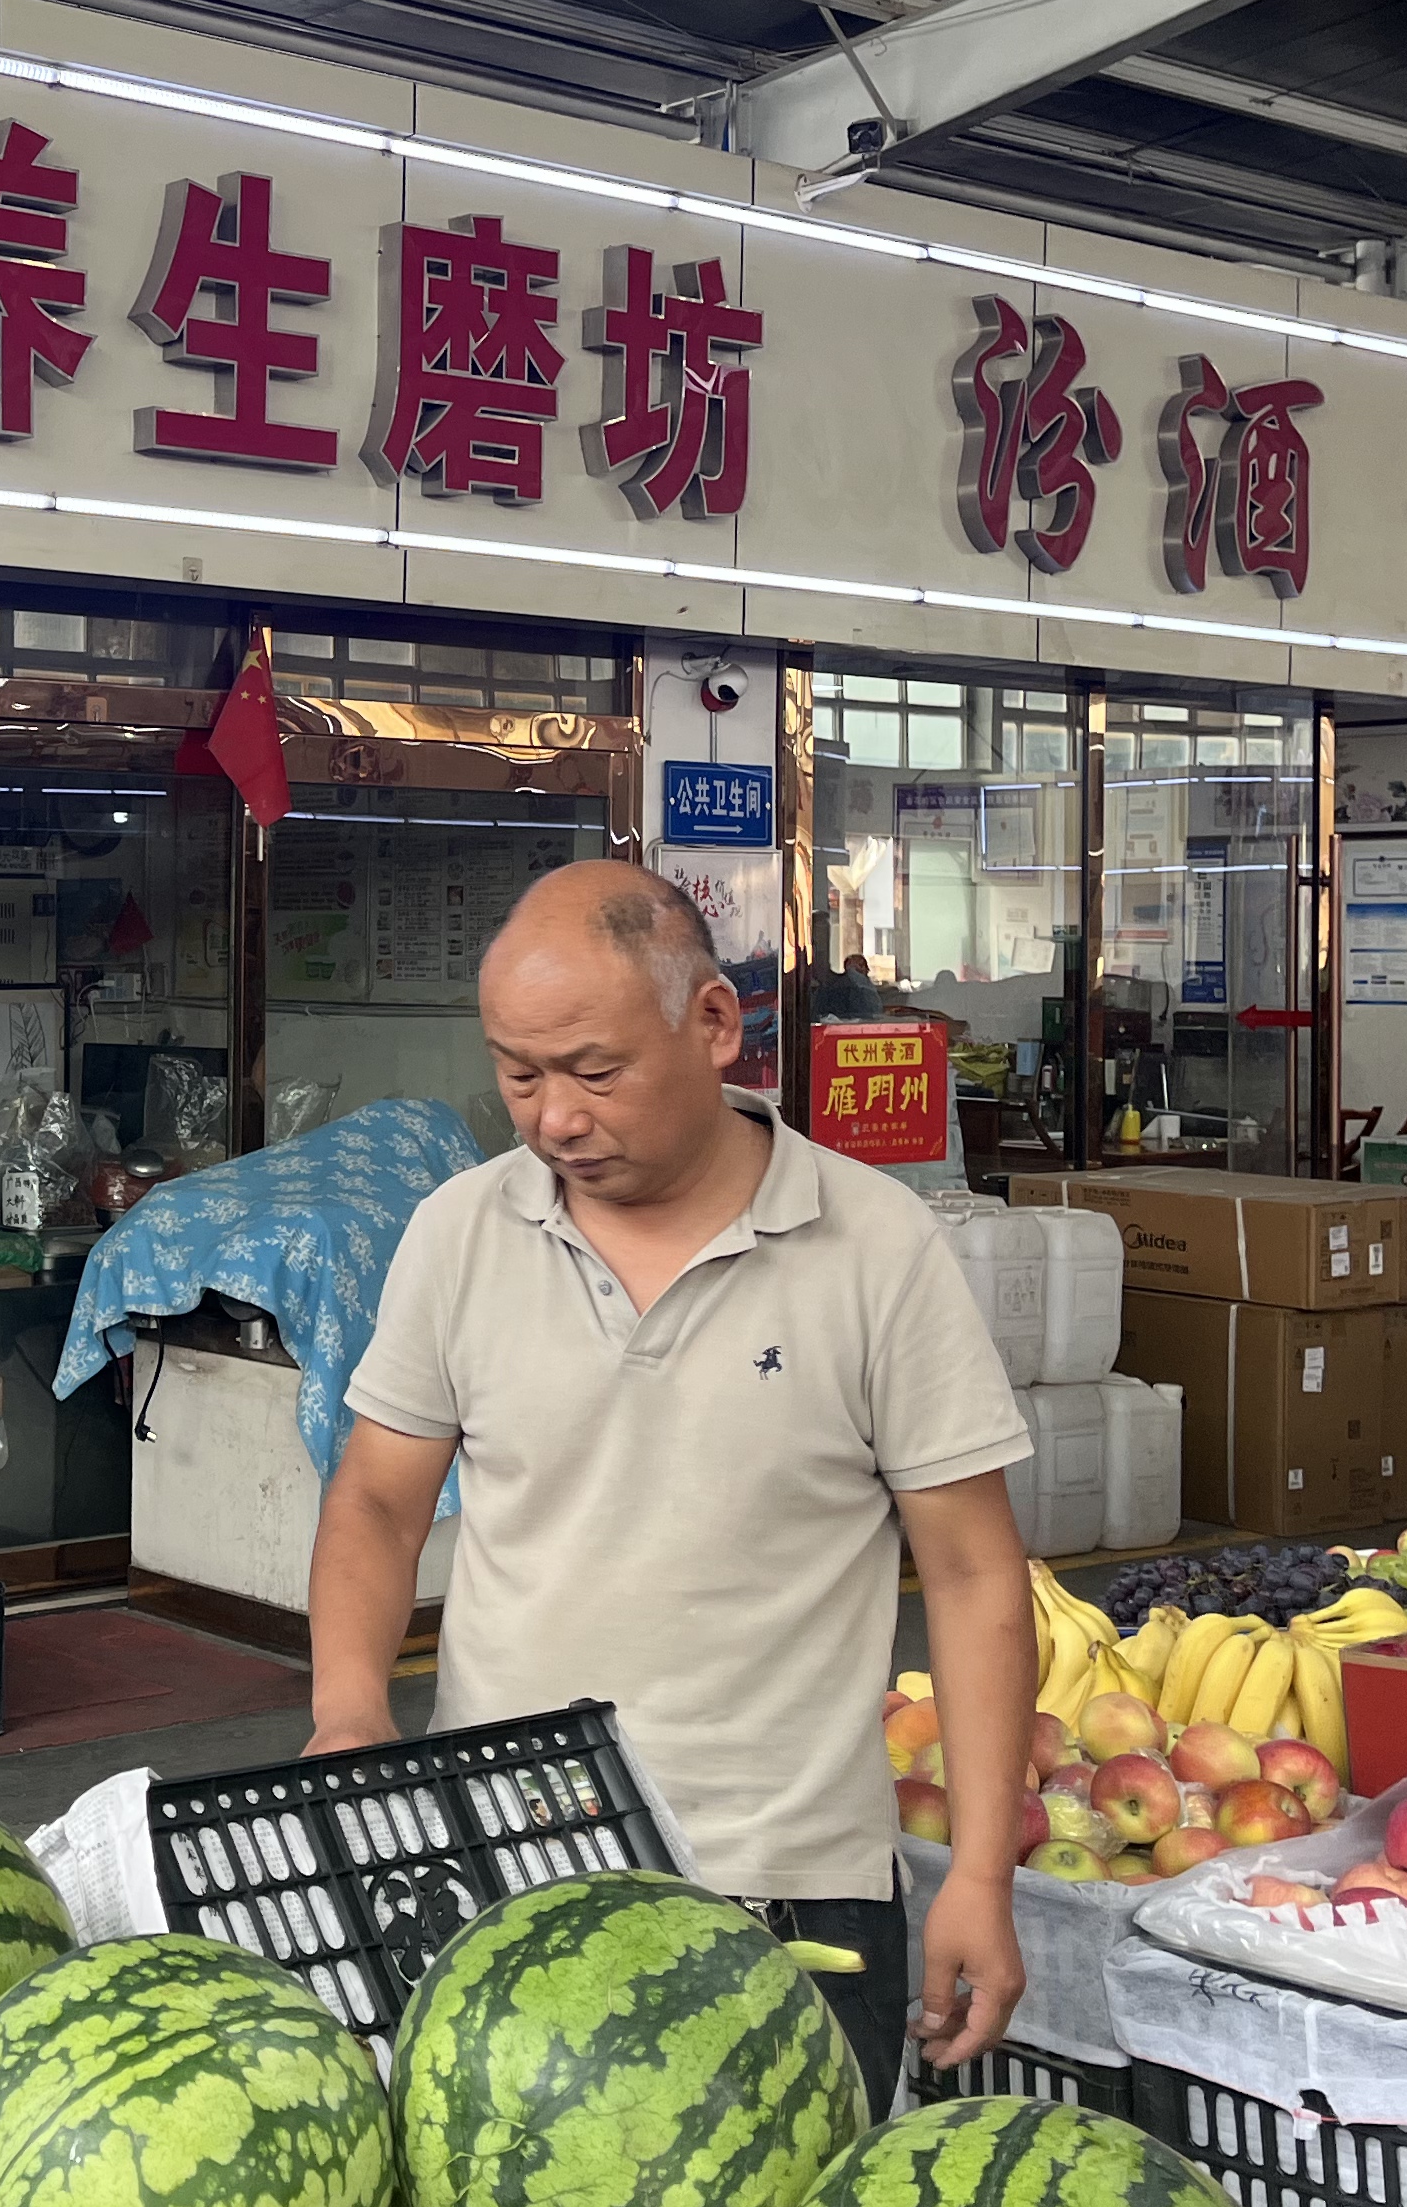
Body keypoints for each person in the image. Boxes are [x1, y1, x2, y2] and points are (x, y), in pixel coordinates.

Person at [304, 860, 1033, 2081]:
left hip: (788, 1890)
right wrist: (347, 1712)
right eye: (516, 1073)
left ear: (713, 1028)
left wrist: (978, 1870)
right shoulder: (460, 1234)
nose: (552, 1120)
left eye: (594, 1072)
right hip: (507, 1860)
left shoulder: (877, 1250)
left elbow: (971, 1576)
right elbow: (378, 1499)